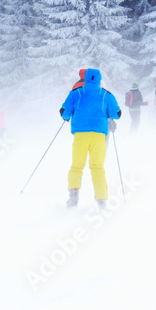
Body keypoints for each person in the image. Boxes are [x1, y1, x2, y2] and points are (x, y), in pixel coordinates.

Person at [60, 68, 121, 209]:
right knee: (97, 167)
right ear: (99, 79)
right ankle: (101, 200)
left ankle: (73, 196)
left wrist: (67, 115)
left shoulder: (77, 93)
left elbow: (65, 113)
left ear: (86, 78)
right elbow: (116, 113)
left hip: (80, 135)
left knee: (76, 166)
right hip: (99, 135)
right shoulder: (106, 94)